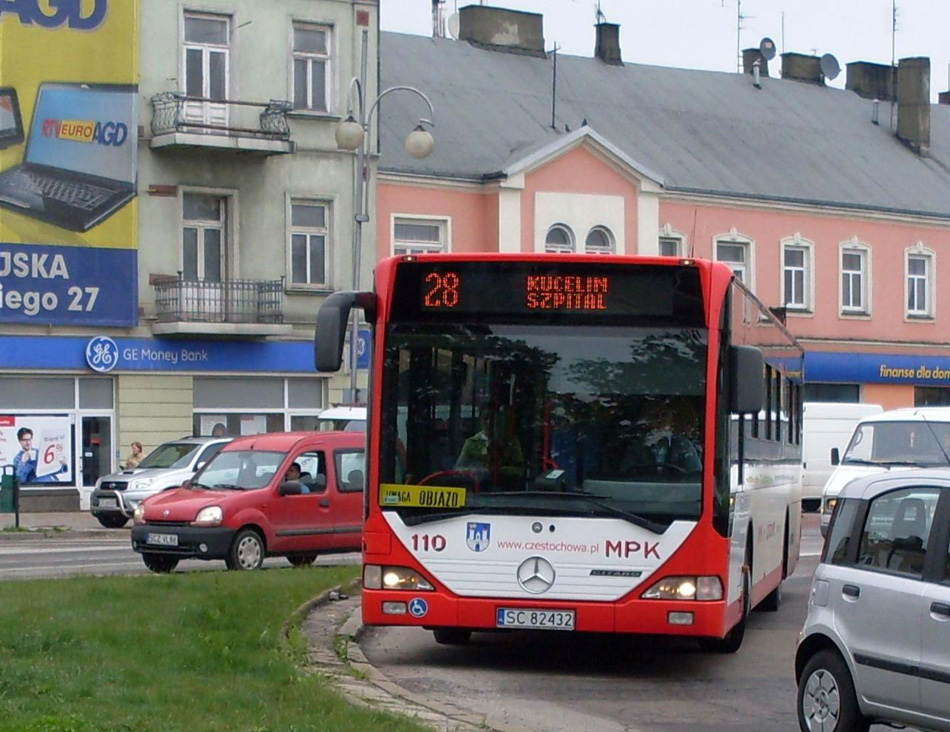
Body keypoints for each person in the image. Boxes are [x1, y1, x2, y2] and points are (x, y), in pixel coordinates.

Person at [455, 409, 524, 480]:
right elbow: (458, 469)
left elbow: (520, 470)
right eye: (485, 418)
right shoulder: (471, 443)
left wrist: (501, 470)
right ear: (480, 421)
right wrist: (477, 472)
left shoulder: (511, 442)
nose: (489, 422)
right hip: (478, 487)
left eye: (493, 419)